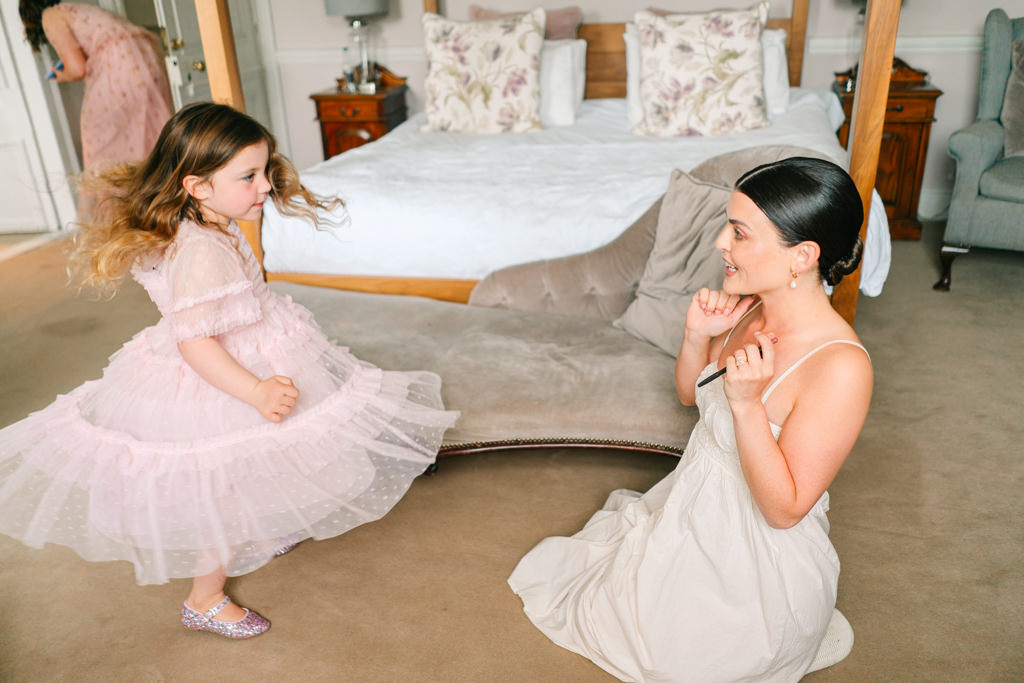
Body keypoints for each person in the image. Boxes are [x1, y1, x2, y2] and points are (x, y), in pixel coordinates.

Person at [0, 102, 459, 639]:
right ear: (196, 185)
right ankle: (205, 597)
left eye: (265, 171)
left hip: (248, 346)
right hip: (219, 374)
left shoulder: (211, 218)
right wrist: (255, 389)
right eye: (248, 176)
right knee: (224, 480)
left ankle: (265, 524)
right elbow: (195, 343)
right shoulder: (201, 251)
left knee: (272, 449)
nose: (265, 186)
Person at [508, 157, 874, 681]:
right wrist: (696, 335)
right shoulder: (750, 309)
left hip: (756, 563)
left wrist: (747, 406)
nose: (721, 243)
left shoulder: (841, 367)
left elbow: (784, 510)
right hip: (691, 505)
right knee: (608, 598)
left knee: (678, 653)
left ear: (803, 256)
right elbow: (691, 395)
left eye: (740, 233)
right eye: (728, 225)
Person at [19, 0, 174, 215]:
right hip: (144, 57)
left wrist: (62, 75)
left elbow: (77, 68)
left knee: (100, 142)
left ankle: (118, 217)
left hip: (118, 65)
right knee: (147, 132)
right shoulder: (78, 8)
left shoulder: (50, 15)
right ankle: (156, 208)